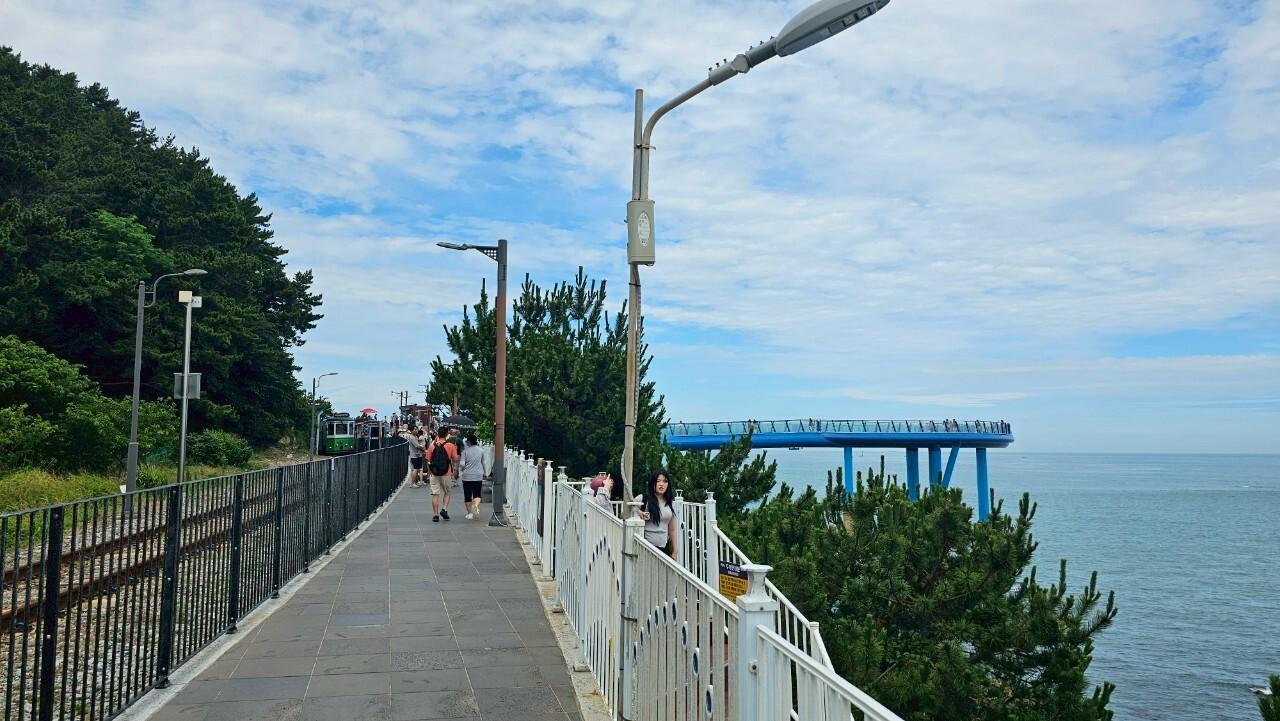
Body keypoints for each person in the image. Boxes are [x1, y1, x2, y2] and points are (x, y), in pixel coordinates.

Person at [634, 469, 677, 559]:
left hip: (664, 549)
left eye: (665, 481)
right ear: (652, 483)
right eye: (658, 481)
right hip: (646, 548)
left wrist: (675, 551)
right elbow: (625, 512)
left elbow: (672, 529)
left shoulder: (669, 503)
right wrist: (639, 512)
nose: (661, 484)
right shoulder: (643, 498)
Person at [425, 427, 458, 522]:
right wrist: (455, 469)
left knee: (435, 494)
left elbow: (428, 460)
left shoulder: (432, 446)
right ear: (447, 434)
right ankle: (444, 509)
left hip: (434, 473)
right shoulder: (450, 445)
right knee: (447, 492)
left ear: (438, 434)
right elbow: (455, 459)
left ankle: (435, 515)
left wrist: (429, 471)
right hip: (446, 473)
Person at [458, 433, 489, 520]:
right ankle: (475, 505)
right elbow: (484, 463)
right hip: (478, 475)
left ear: (469, 442)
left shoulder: (465, 452)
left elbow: (462, 464)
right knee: (477, 494)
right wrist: (485, 473)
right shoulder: (481, 451)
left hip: (467, 476)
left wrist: (462, 469)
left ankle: (470, 514)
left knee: (467, 495)